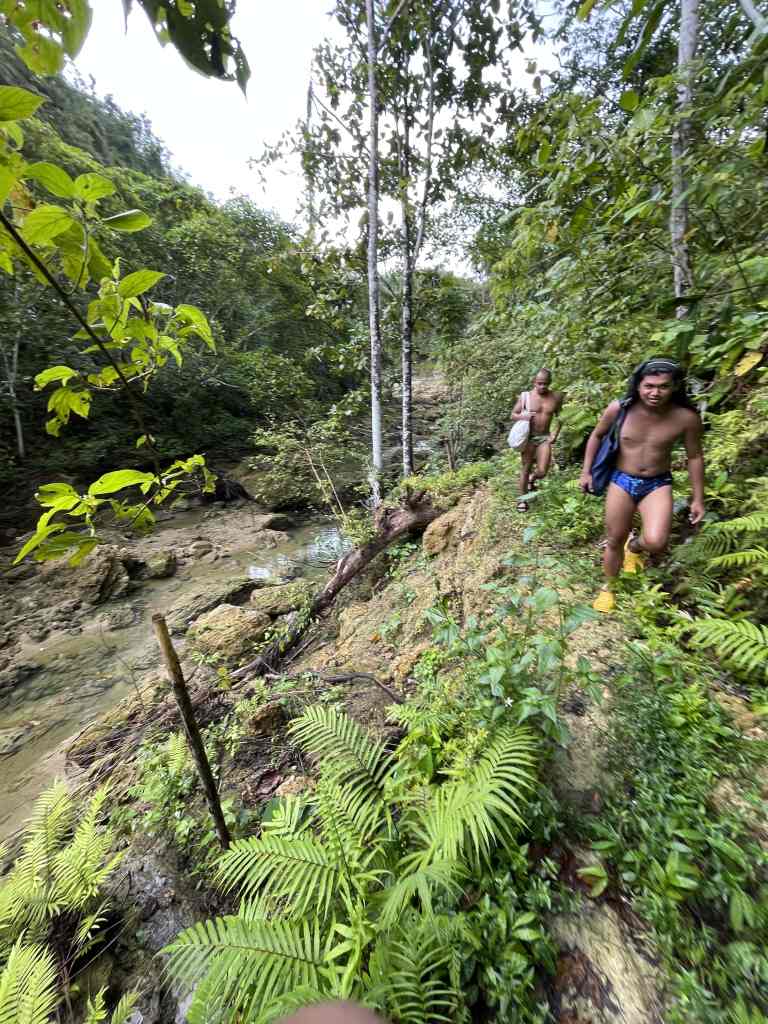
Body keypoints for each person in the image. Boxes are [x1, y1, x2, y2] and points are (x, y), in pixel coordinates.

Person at [579, 357, 705, 613]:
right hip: (621, 480)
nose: (655, 392)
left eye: (663, 386)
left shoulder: (686, 418)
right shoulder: (619, 409)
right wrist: (586, 471)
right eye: (649, 386)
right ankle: (609, 587)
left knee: (656, 541)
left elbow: (695, 456)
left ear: (674, 387)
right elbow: (597, 435)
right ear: (638, 385)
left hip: (657, 483)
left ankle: (634, 547)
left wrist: (698, 498)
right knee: (614, 538)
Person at [510, 368, 564, 511]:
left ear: (550, 382)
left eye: (545, 384)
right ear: (534, 382)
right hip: (529, 437)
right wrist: (523, 416)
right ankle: (522, 500)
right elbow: (513, 414)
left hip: (544, 438)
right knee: (526, 467)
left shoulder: (556, 398)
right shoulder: (526, 396)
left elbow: (561, 418)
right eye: (539, 383)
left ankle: (532, 479)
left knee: (542, 471)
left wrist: (555, 434)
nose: (542, 386)